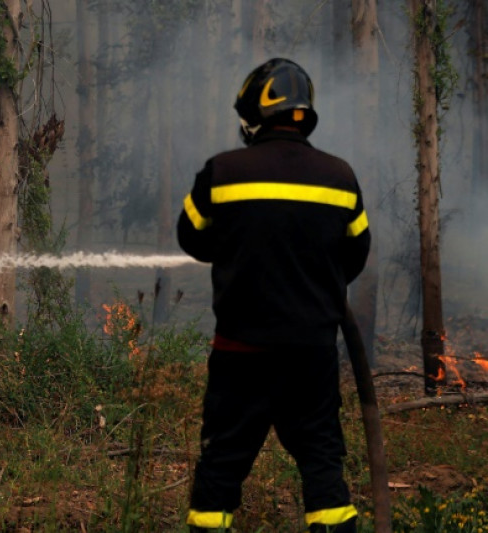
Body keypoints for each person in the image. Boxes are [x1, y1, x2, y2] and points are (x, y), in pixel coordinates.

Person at [177, 58, 371, 532]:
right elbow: (356, 256)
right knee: (322, 463)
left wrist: (243, 250)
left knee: (220, 465)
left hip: (240, 354)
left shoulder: (222, 172)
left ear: (255, 115)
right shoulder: (341, 178)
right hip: (312, 356)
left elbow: (192, 238)